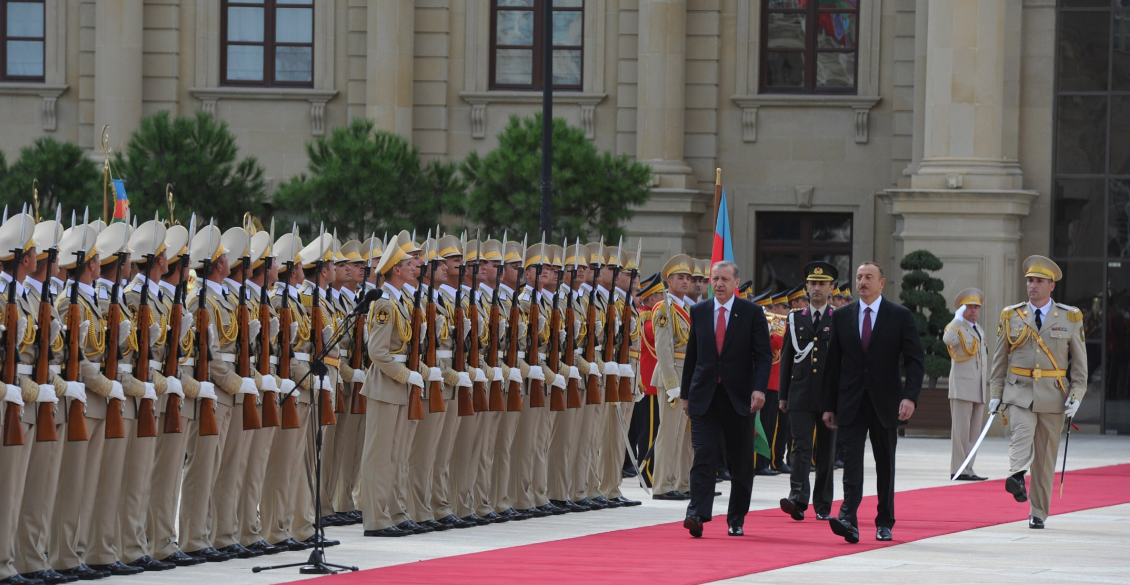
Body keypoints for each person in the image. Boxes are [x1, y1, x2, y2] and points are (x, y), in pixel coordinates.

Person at [822, 261, 924, 543]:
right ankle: (848, 519)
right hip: (851, 402)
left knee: (885, 465)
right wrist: (829, 405)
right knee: (851, 462)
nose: (862, 282)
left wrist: (910, 397)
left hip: (886, 402)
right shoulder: (842, 316)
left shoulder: (899, 316)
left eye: (869, 277)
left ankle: (884, 521)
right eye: (858, 277)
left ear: (882, 283)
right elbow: (832, 365)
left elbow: (915, 360)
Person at [989, 256, 1087, 529]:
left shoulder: (1070, 317)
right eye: (1030, 280)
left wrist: (1076, 396)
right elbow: (1000, 359)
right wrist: (996, 393)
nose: (1032, 285)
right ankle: (1017, 475)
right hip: (1018, 391)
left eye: (1038, 281)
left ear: (1051, 286)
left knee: (1044, 459)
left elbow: (1080, 366)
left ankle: (1038, 511)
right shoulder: (1012, 315)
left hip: (1054, 395)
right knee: (1021, 435)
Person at [680, 261, 772, 538]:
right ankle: (697, 513)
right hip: (705, 396)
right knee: (704, 455)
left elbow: (764, 356)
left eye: (724, 279)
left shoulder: (752, 313)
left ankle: (736, 518)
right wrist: (686, 394)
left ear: (736, 282)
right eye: (715, 279)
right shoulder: (700, 311)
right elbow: (692, 355)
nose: (718, 284)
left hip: (739, 398)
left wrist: (759, 389)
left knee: (741, 461)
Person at [779, 261, 838, 522]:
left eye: (822, 284)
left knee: (825, 450)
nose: (816, 288)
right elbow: (786, 358)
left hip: (828, 396)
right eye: (813, 283)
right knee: (800, 447)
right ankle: (798, 499)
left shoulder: (838, 318)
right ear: (806, 287)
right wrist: (783, 395)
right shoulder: (794, 318)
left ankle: (823, 504)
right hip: (800, 393)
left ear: (831, 288)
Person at [943, 287, 989, 481]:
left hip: (978, 389)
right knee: (961, 432)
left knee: (974, 434)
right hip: (962, 388)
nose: (973, 311)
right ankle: (958, 469)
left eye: (976, 307)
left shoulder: (979, 330)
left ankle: (968, 468)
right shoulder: (956, 328)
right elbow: (947, 339)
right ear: (962, 310)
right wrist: (957, 319)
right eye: (969, 307)